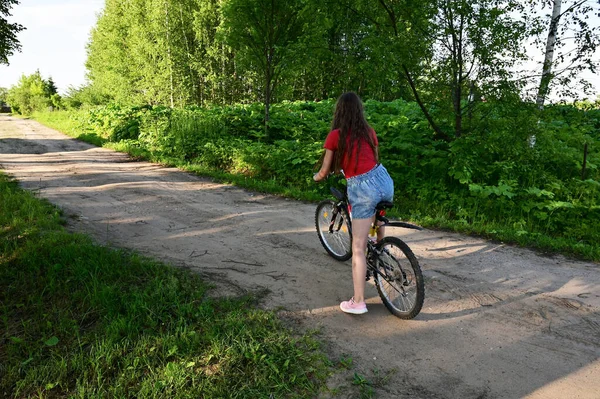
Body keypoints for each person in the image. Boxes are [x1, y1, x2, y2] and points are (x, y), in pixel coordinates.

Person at [313, 92, 394, 315]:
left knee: (357, 247)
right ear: (359, 110)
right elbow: (372, 161)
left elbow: (325, 169)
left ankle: (358, 301)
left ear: (339, 111)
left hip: (362, 187)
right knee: (377, 213)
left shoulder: (335, 136)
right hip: (384, 180)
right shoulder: (369, 132)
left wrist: (317, 177)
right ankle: (383, 252)